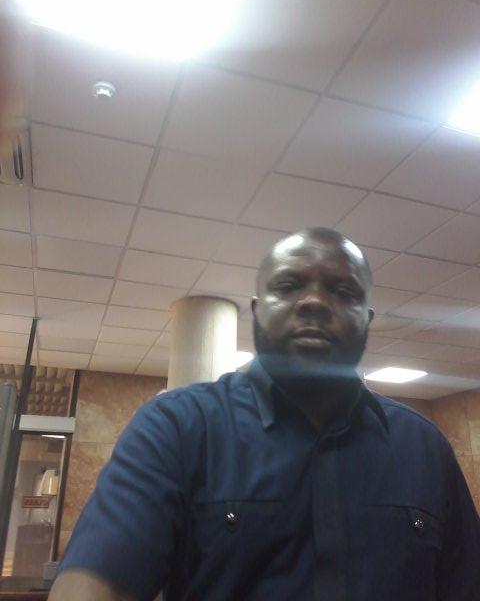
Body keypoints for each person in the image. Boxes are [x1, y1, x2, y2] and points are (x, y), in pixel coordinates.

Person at [49, 228, 480, 601]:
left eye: (343, 291)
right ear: (257, 312)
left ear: (366, 320)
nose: (315, 301)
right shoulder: (177, 428)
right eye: (289, 286)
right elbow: (93, 583)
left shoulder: (424, 448)